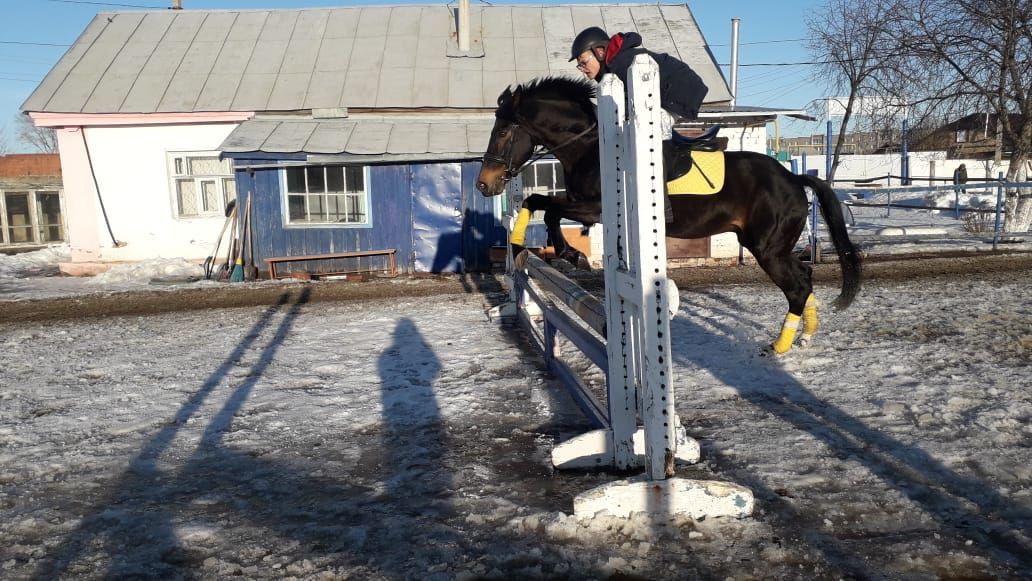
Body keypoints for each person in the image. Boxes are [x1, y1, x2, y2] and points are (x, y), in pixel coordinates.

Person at [570, 26, 709, 221]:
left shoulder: (622, 64)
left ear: (600, 52)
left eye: (584, 62)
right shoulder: (611, 69)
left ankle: (662, 206)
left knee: (648, 136)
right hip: (663, 91)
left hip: (678, 93)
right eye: (580, 65)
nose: (583, 69)